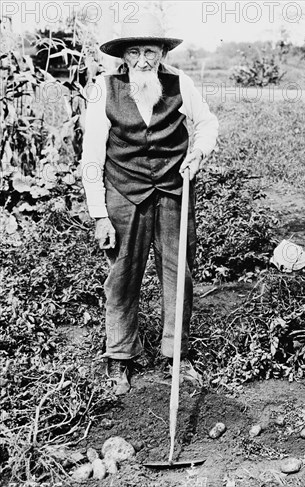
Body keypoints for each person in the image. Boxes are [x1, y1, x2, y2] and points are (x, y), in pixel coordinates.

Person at [81, 13, 218, 395]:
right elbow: (92, 159)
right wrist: (99, 215)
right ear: (123, 56)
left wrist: (198, 153)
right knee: (122, 274)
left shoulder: (180, 84)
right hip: (125, 193)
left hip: (174, 190)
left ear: (162, 53)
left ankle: (176, 356)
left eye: (151, 52)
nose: (144, 61)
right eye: (135, 52)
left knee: (179, 273)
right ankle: (120, 356)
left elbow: (208, 124)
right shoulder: (103, 90)